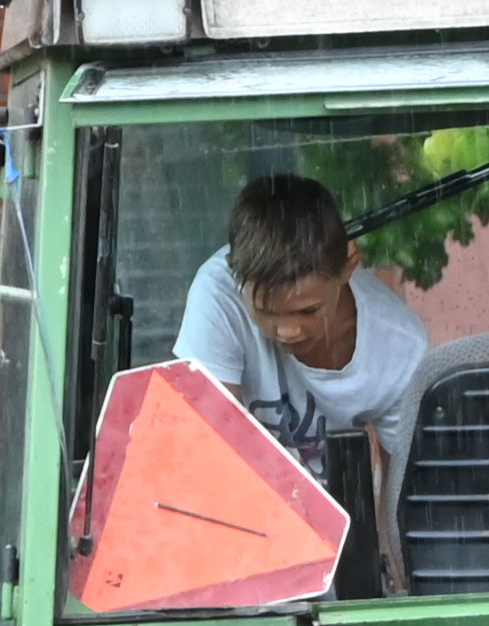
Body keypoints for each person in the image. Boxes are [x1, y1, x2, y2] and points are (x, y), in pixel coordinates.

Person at [174, 173, 436, 468]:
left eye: (308, 310)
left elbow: (401, 491)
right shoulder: (218, 295)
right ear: (235, 276)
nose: (288, 331)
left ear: (348, 267)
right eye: (266, 310)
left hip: (341, 508)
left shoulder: (401, 349)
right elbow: (205, 446)